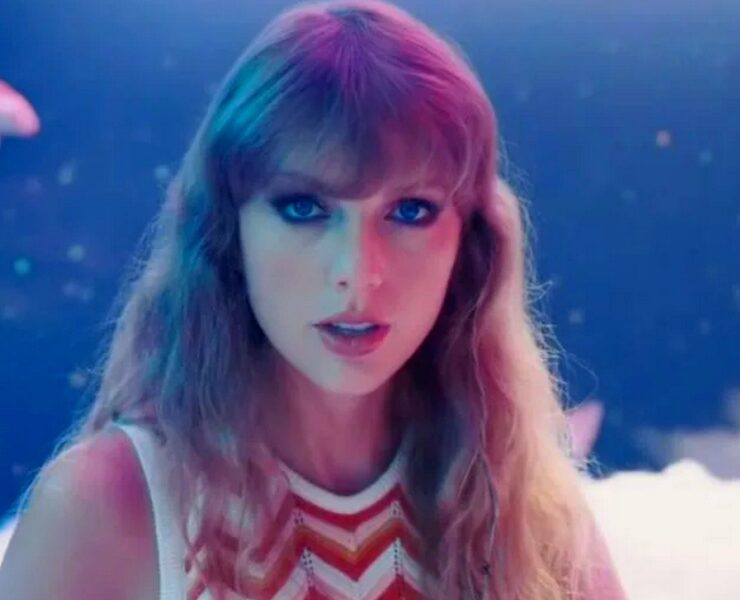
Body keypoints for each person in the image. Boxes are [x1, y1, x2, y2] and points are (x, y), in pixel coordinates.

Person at [0, 1, 627, 598]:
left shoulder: (525, 509)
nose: (357, 273)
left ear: (470, 244)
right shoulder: (107, 508)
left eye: (410, 211)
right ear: (226, 231)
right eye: (304, 207)